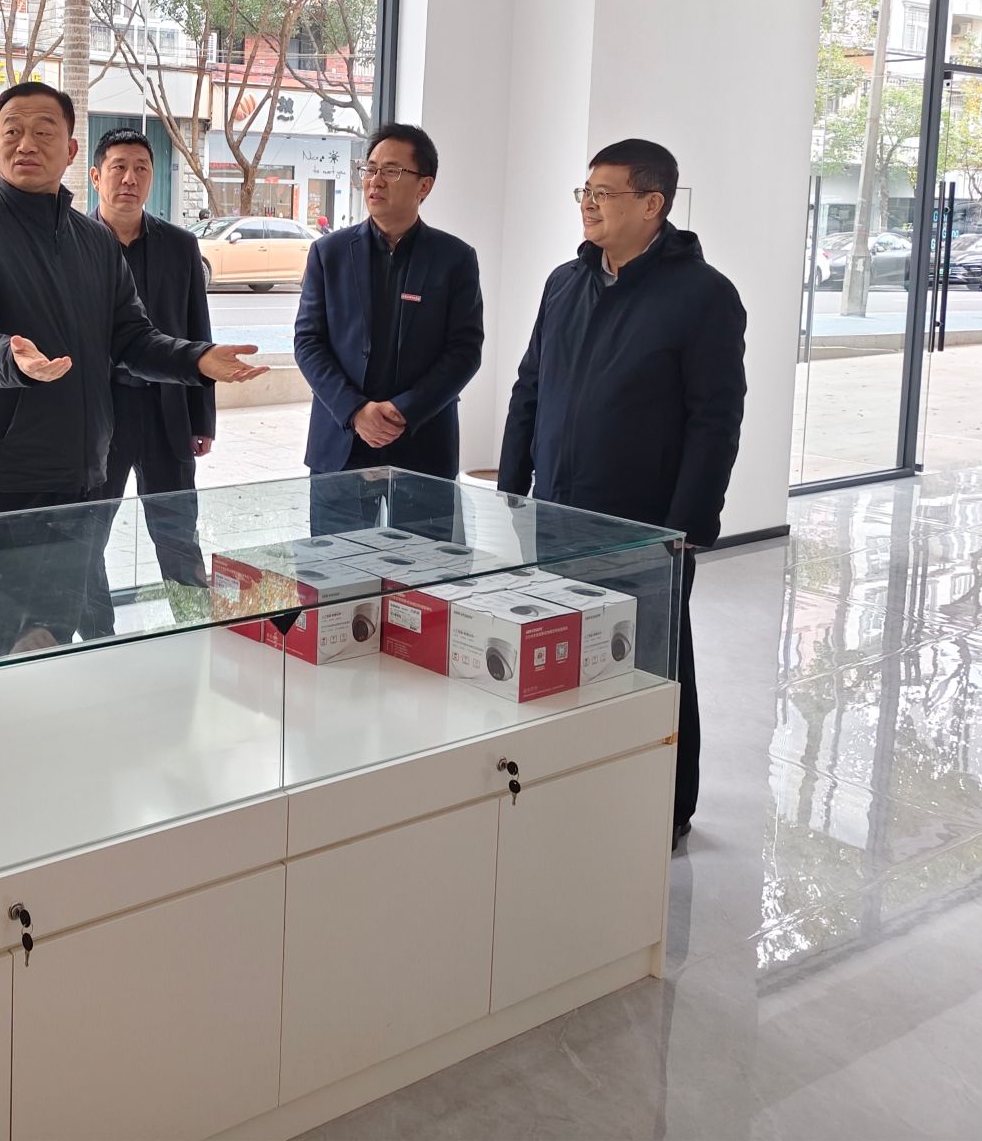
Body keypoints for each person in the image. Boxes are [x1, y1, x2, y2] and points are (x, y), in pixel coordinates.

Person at [0, 81, 263, 661]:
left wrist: (195, 359)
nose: (25, 144)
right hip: (6, 474)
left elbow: (131, 337)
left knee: (55, 636)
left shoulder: (94, 242)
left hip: (83, 470)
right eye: (12, 131)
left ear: (69, 149)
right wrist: (10, 357)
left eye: (43, 132)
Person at [497, 139, 746, 852]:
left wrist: (685, 528)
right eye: (585, 191)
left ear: (652, 204)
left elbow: (715, 420)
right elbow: (530, 386)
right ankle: (579, 790)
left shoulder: (703, 296)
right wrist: (511, 489)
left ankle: (667, 808)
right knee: (564, 659)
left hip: (645, 528)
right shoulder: (564, 283)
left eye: (604, 193)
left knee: (655, 668)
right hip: (555, 511)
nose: (589, 204)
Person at [294, 123, 484, 533]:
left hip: (422, 444)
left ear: (424, 186)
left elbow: (465, 351)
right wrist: (355, 411)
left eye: (392, 170)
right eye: (370, 168)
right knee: (336, 569)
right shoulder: (329, 253)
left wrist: (404, 410)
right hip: (341, 445)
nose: (375, 180)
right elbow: (308, 342)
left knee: (423, 569)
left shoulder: (454, 258)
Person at [81, 128, 213, 633]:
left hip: (166, 412)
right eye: (118, 167)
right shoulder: (72, 242)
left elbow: (197, 331)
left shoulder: (180, 246)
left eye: (141, 168)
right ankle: (98, 639)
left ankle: (194, 628)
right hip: (100, 415)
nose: (129, 179)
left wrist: (203, 418)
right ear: (96, 176)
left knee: (177, 531)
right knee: (88, 536)